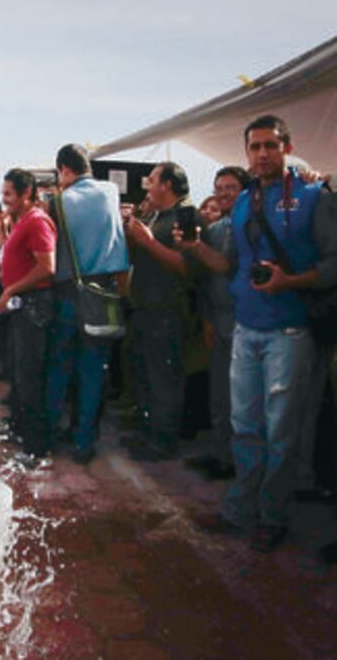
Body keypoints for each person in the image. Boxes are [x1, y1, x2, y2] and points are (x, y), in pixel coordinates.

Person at [182, 114, 332, 552]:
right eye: (255, 146)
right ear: (246, 152)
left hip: (291, 329)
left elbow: (333, 263)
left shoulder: (313, 197)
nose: (262, 153)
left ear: (287, 148)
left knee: (281, 430)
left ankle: (272, 516)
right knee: (244, 426)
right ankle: (239, 510)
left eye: (270, 145)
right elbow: (230, 264)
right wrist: (194, 247)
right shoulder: (246, 200)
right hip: (246, 326)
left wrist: (291, 281)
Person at [43, 144, 129, 465]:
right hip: (104, 293)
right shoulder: (110, 191)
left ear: (64, 170)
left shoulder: (58, 202)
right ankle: (84, 441)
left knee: (59, 367)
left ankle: (50, 433)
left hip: (68, 294)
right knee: (93, 371)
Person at [122, 161, 197, 462]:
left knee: (163, 379)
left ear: (167, 185)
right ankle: (148, 432)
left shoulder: (186, 216)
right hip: (145, 309)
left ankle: (162, 441)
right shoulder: (157, 216)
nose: (147, 186)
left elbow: (186, 267)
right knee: (144, 375)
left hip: (166, 312)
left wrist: (147, 241)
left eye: (152, 180)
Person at [185, 166, 251, 481]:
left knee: (243, 400)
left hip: (245, 320)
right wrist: (208, 320)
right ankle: (222, 455)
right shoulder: (214, 230)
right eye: (219, 187)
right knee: (219, 395)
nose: (223, 193)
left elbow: (227, 268)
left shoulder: (251, 226)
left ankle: (241, 464)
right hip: (218, 319)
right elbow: (206, 281)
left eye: (231, 187)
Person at [0, 169, 56, 458]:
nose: (4, 199)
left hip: (33, 306)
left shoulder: (37, 221)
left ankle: (36, 448)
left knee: (30, 377)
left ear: (26, 193)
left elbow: (47, 267)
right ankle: (20, 431)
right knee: (19, 375)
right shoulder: (22, 221)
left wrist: (11, 290)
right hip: (22, 305)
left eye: (9, 193)